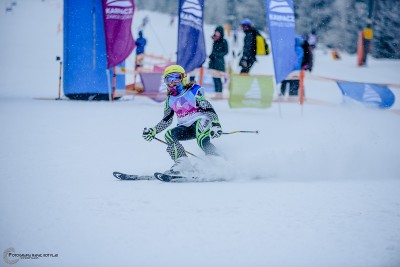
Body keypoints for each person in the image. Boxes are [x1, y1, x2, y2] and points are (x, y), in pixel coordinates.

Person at [142, 65, 223, 175]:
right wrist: (154, 130)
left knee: (201, 139)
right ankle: (183, 163)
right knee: (169, 135)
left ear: (183, 77)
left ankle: (219, 162)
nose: (172, 83)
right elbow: (167, 120)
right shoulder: (170, 100)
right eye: (168, 80)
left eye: (175, 78)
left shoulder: (193, 91)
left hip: (201, 120)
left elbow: (207, 106)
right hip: (186, 127)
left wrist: (216, 123)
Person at [209, 26, 229, 97]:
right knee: (214, 79)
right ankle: (217, 94)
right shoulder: (215, 40)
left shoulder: (224, 41)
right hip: (213, 63)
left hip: (219, 63)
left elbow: (226, 51)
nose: (216, 33)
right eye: (216, 32)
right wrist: (211, 55)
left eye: (218, 32)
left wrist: (217, 55)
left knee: (218, 79)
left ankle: (219, 94)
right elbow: (213, 51)